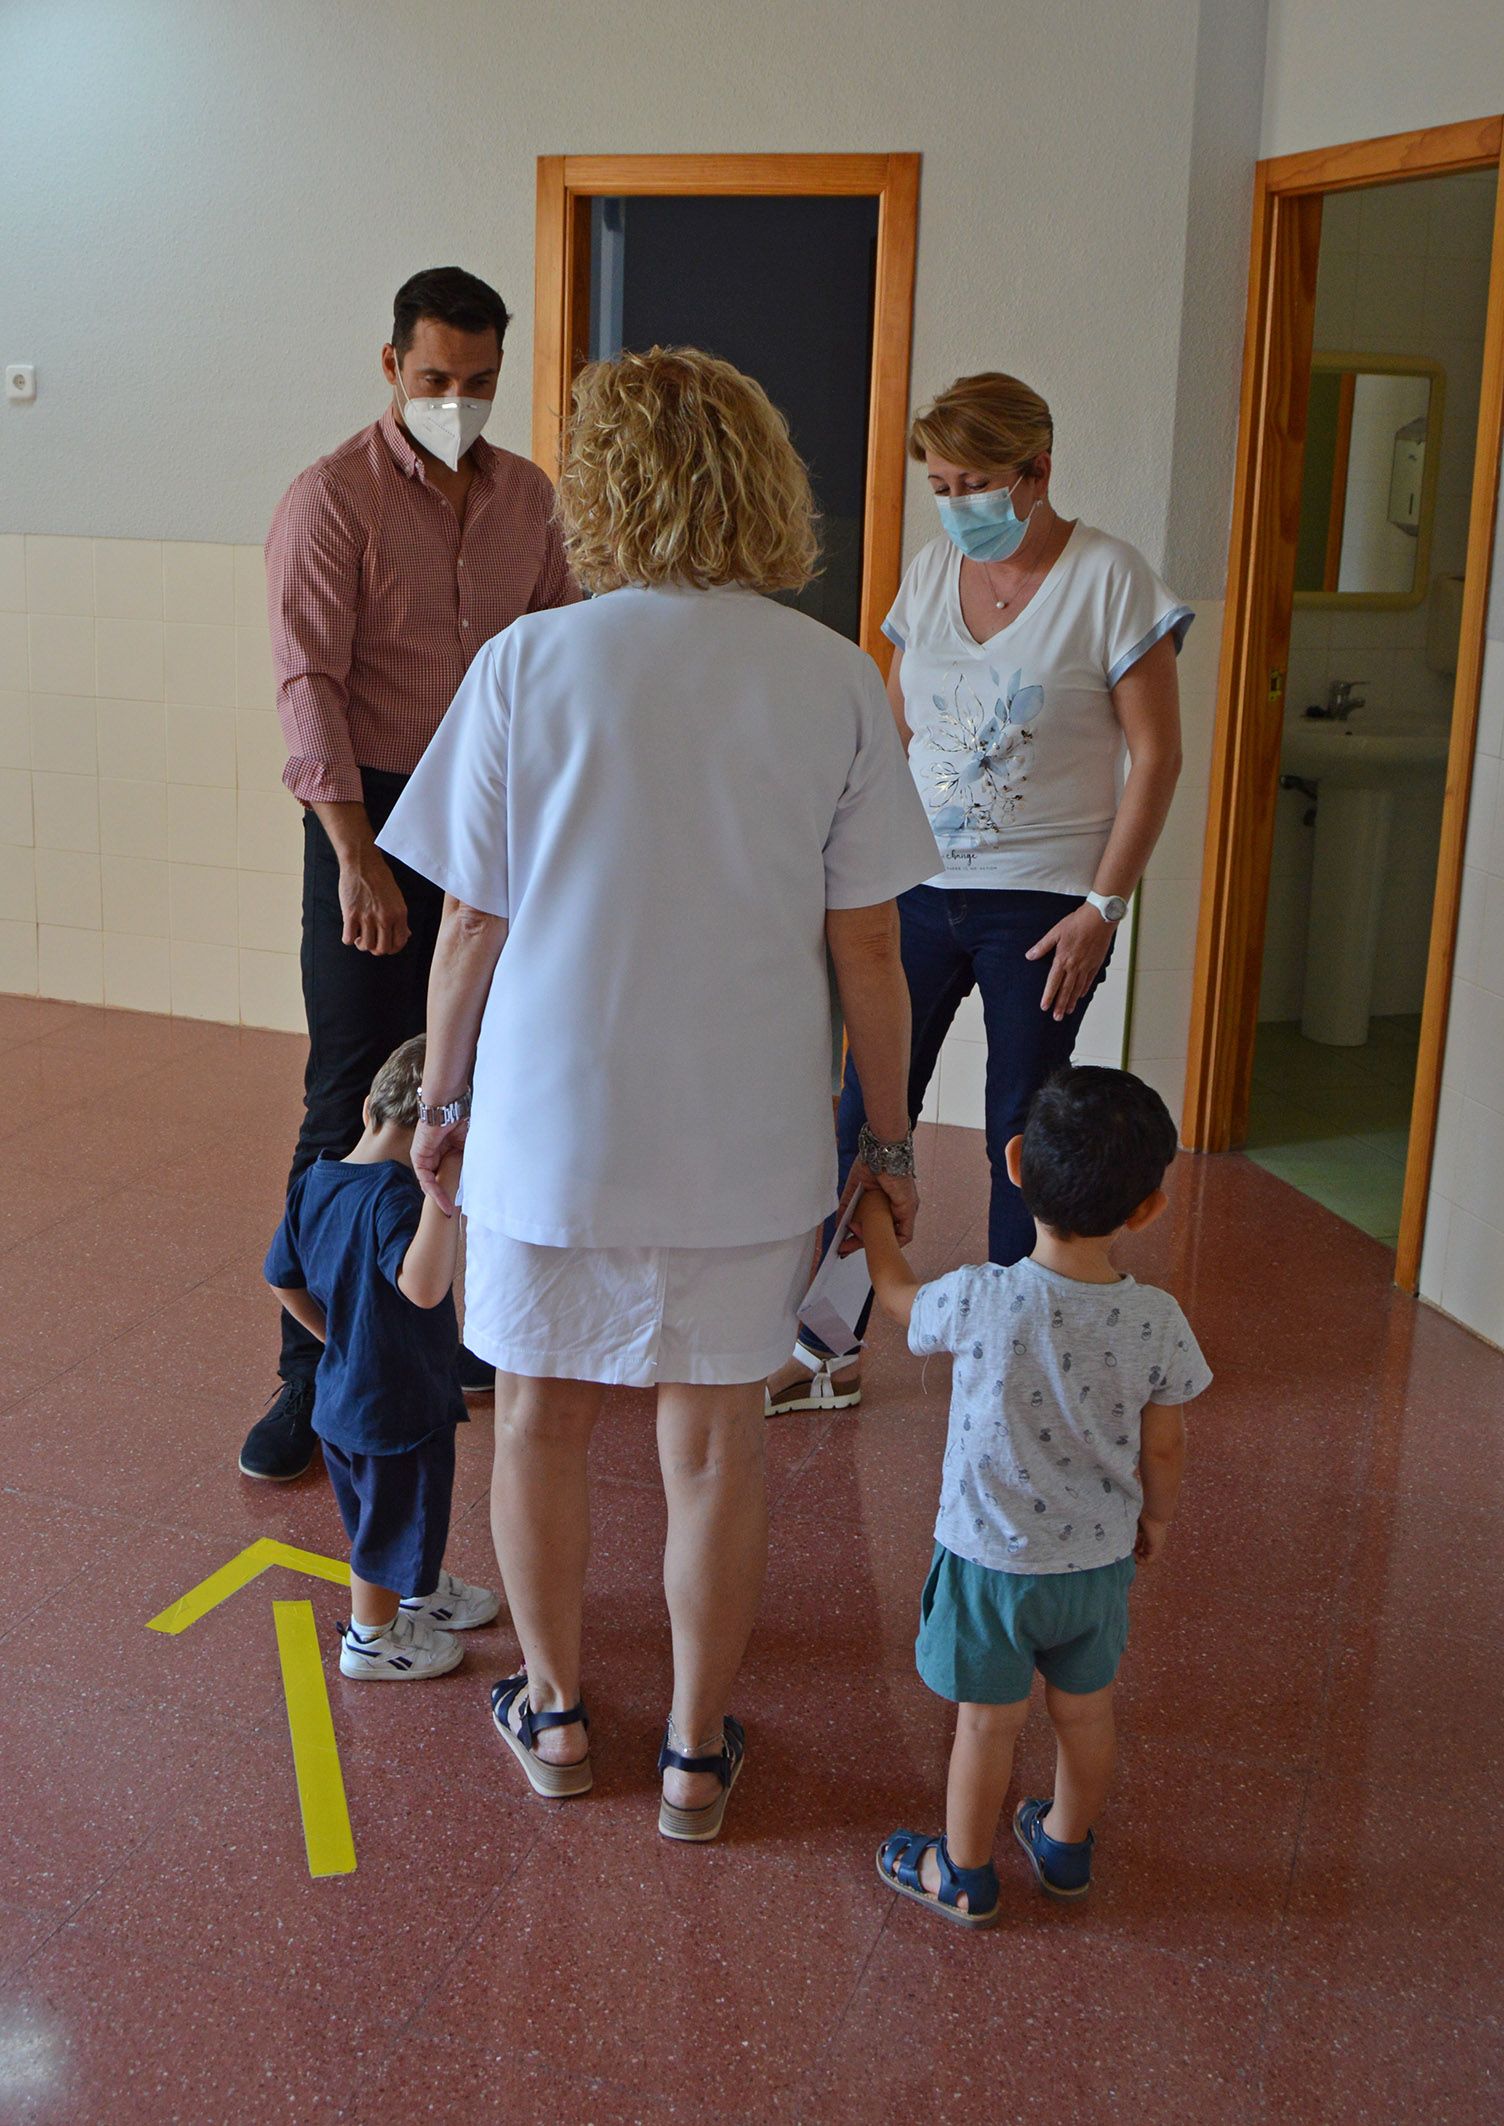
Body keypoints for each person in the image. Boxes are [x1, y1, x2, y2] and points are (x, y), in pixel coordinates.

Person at [376, 347, 941, 1836]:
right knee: (715, 1444)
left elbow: (470, 926)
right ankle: (695, 1747)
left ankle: (557, 1717)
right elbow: (870, 942)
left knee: (538, 1423)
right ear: (764, 479)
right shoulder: (831, 675)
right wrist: (884, 1137)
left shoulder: (527, 664)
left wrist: (442, 1105)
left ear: (604, 491)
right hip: (747, 1137)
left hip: (550, 1130)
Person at [767, 372, 1192, 1417]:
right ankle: (824, 1348)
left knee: (1021, 1131)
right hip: (913, 891)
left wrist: (1103, 907)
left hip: (1042, 909)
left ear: (1036, 472)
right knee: (866, 1115)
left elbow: (1160, 758)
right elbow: (893, 732)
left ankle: (1016, 1358)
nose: (957, 502)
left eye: (975, 481)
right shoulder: (930, 570)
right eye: (941, 483)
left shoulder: (1110, 580)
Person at [239, 265, 581, 1482]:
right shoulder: (328, 499)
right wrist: (353, 856)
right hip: (372, 814)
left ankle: (451, 1336)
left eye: (480, 383)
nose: (457, 401)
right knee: (352, 1098)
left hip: (492, 817)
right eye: (435, 379)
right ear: (391, 367)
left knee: (478, 1080)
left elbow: (561, 650)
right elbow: (307, 688)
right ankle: (307, 1373)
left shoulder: (530, 499)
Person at [858, 1064, 1211, 1925]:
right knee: (1084, 1714)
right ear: (1147, 1209)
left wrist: (872, 1214)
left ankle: (964, 1873)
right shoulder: (1157, 1318)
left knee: (987, 1727)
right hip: (1095, 1562)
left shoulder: (983, 1297)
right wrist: (1155, 1517)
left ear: (1014, 1163)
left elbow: (900, 1298)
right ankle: (1062, 1842)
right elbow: (1165, 1440)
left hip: (990, 1564)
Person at [263, 1035, 500, 1681]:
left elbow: (281, 1277)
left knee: (390, 1514)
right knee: (388, 1523)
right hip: (395, 1406)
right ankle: (372, 1637)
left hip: (345, 1392)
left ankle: (418, 1590)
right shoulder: (398, 1198)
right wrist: (441, 1197)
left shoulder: (317, 1179)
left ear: (370, 1106)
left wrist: (332, 1333)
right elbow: (423, 1287)